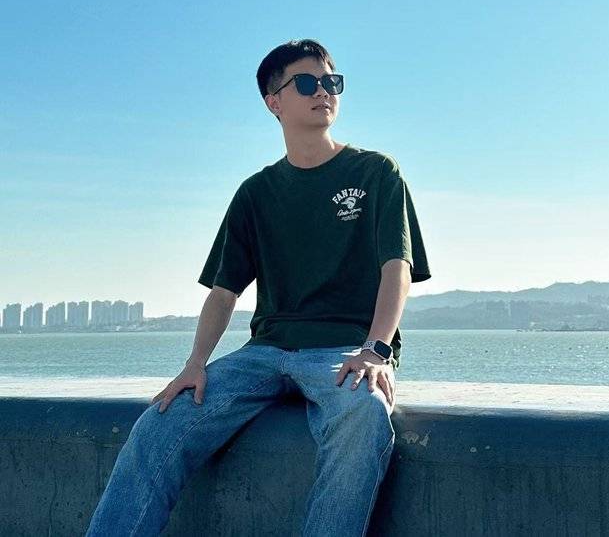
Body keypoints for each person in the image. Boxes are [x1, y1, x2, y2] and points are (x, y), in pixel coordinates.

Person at [86, 38, 431, 537]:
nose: (324, 91)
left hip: (345, 351)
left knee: (365, 416)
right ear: (274, 102)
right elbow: (224, 291)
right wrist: (195, 364)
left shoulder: (376, 172)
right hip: (265, 353)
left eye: (332, 81)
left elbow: (395, 267)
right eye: (307, 83)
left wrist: (376, 349)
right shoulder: (256, 193)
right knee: (160, 423)